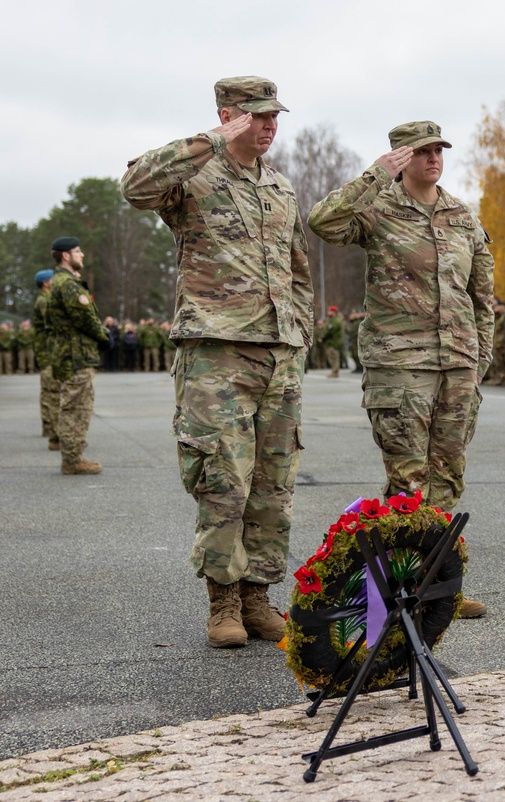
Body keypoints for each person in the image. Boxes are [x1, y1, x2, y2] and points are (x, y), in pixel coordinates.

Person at [121, 76, 314, 649]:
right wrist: (209, 138)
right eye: (257, 116)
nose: (269, 125)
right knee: (223, 479)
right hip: (216, 353)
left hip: (279, 355)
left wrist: (300, 333)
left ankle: (258, 597)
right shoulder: (193, 177)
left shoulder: (280, 188)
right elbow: (134, 185)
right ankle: (223, 602)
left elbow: (298, 269)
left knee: (273, 484)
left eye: (274, 116)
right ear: (229, 114)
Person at [308, 120, 494, 619]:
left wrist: (481, 359)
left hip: (457, 364)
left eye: (439, 150)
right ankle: (401, 590)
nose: (434, 159)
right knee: (408, 484)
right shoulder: (377, 208)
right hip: (399, 365)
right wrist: (374, 176)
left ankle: (439, 589)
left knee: (447, 479)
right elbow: (322, 222)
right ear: (400, 157)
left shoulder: (460, 215)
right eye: (423, 152)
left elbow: (481, 295)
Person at [47, 236, 109, 473]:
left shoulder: (63, 282)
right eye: (78, 251)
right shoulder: (68, 285)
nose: (82, 255)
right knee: (76, 409)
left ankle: (72, 457)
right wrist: (104, 337)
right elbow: (85, 319)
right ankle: (72, 460)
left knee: (74, 407)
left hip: (73, 355)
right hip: (76, 356)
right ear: (66, 256)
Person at [32, 269, 61, 450]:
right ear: (45, 283)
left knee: (48, 393)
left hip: (47, 353)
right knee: (52, 394)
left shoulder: (45, 299)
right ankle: (55, 434)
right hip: (49, 354)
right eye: (53, 279)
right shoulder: (44, 301)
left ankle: (48, 428)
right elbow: (54, 322)